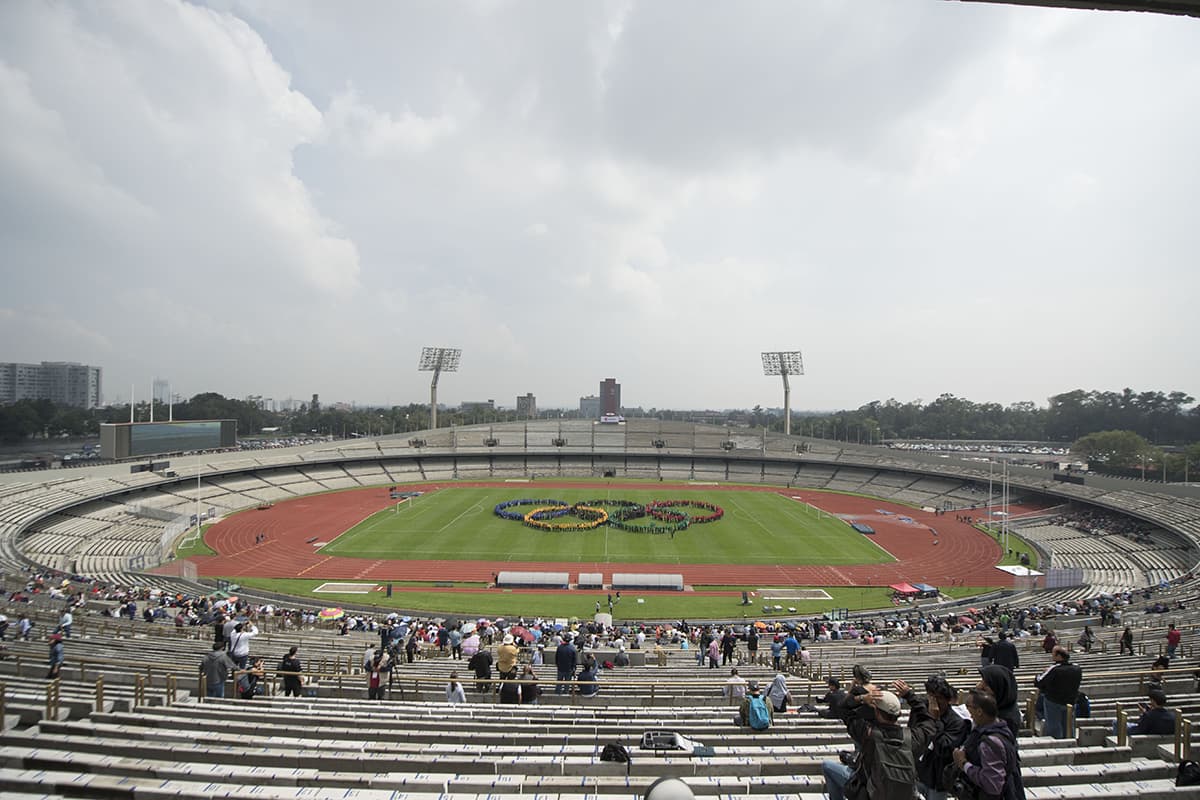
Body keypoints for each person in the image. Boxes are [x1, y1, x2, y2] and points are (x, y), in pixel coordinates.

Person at [823, 681, 932, 800]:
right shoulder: (913, 738)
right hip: (903, 794)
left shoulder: (868, 735)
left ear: (877, 712)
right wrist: (910, 695)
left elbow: (842, 708)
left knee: (827, 766)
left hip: (870, 794)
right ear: (899, 713)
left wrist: (862, 698)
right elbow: (929, 722)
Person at [952, 689, 1024, 800]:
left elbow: (992, 784)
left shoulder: (989, 743)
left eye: (968, 706)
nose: (967, 711)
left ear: (979, 711)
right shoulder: (1001, 727)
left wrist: (963, 763)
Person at [919, 675, 971, 800]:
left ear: (948, 700)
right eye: (931, 697)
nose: (934, 702)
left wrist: (936, 720)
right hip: (920, 772)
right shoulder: (923, 713)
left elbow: (944, 748)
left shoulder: (958, 723)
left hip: (938, 779)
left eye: (938, 698)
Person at [1034, 646, 1083, 739]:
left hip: (1054, 701)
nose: (1052, 655)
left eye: (1053, 653)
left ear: (1059, 656)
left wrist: (1039, 674)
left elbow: (1039, 682)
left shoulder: (1054, 669)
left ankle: (1055, 742)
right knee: (1068, 724)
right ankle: (1069, 741)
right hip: (1071, 700)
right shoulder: (1077, 668)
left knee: (1053, 725)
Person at [977, 665, 1022, 740]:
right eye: (982, 681)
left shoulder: (1007, 719)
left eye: (986, 685)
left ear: (998, 688)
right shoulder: (999, 705)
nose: (979, 686)